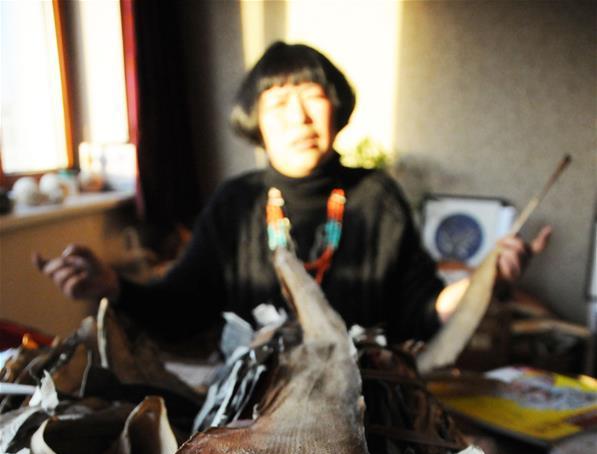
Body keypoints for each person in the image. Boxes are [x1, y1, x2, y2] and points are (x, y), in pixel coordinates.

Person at [35, 41, 551, 344]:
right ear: (256, 122)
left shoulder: (377, 195)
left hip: (361, 403)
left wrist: (487, 281)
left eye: (312, 96)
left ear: (335, 108)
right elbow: (181, 308)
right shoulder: (236, 203)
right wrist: (113, 285)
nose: (300, 117)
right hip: (257, 405)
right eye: (279, 103)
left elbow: (422, 311)